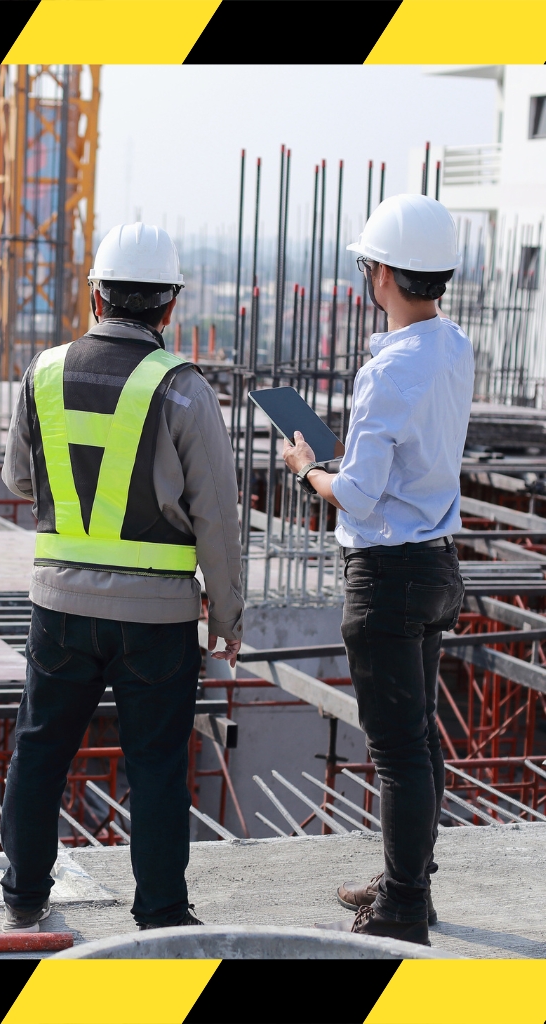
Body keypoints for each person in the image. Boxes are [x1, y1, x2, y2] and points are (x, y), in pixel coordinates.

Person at [0, 223, 244, 933]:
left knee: (40, 750)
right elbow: (218, 521)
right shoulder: (184, 389)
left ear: (96, 294)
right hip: (158, 620)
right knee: (159, 766)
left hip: (60, 609)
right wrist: (227, 617)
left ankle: (23, 896)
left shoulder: (42, 371)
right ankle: (162, 913)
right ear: (169, 307)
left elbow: (19, 476)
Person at [282, 194, 472, 946]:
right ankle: (406, 885)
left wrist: (307, 468)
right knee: (420, 740)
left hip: (388, 573)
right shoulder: (453, 345)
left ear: (382, 273)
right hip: (436, 564)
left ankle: (400, 908)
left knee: (398, 751)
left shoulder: (387, 370)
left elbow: (357, 495)